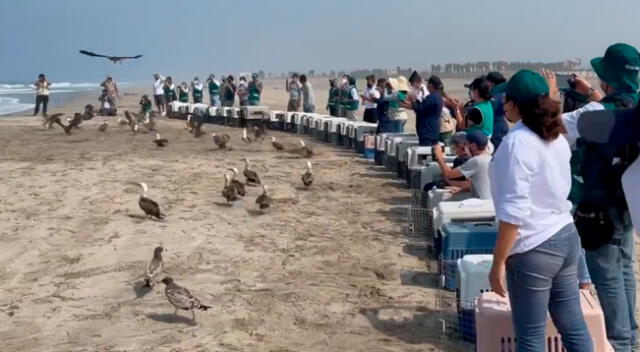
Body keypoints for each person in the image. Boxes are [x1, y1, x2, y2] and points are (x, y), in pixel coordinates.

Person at [488, 69, 594, 352]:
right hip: (566, 236)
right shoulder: (555, 134)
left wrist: (498, 262)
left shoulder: (516, 143)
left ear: (513, 104)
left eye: (506, 100)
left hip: (534, 247)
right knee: (573, 326)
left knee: (531, 337)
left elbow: (514, 214)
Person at [557, 43, 640, 351]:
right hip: (630, 202)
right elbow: (617, 108)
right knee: (625, 267)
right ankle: (630, 337)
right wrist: (591, 92)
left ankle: (619, 343)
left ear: (608, 77)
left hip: (599, 207)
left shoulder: (594, 113)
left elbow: (554, 127)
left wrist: (552, 96)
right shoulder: (633, 105)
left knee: (607, 276)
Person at [434, 129, 491, 199]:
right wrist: (462, 190)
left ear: (473, 146)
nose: (465, 148)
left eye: (466, 144)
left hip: (482, 203)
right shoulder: (489, 158)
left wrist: (439, 156)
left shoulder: (476, 161)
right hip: (489, 203)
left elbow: (448, 174)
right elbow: (478, 184)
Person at [402, 75, 444, 147]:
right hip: (432, 129)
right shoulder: (437, 96)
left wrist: (413, 100)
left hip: (427, 131)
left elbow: (419, 108)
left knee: (425, 151)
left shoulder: (432, 98)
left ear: (431, 85)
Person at [486, 71, 509, 150]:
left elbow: (491, 110)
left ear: (492, 83)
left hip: (497, 128)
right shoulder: (502, 93)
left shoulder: (496, 95)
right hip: (500, 125)